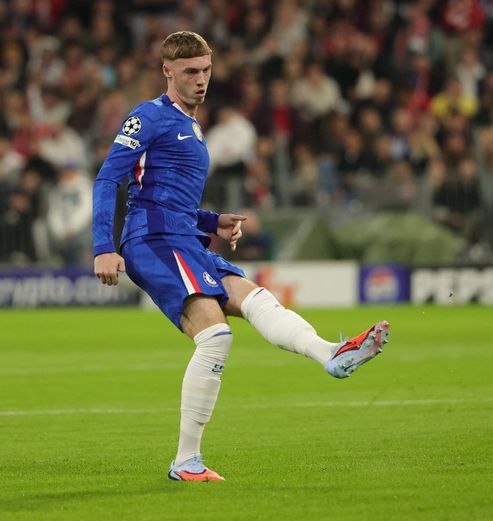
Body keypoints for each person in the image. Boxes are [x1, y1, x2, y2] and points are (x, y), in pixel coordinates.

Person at [92, 31, 390, 482]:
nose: (200, 79)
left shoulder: (193, 126)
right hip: (153, 240)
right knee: (215, 336)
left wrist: (212, 221)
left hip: (184, 237)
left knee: (256, 299)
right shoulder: (147, 117)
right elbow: (106, 179)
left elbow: (167, 195)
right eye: (190, 71)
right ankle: (186, 461)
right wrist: (103, 246)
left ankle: (330, 353)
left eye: (206, 70)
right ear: (167, 71)